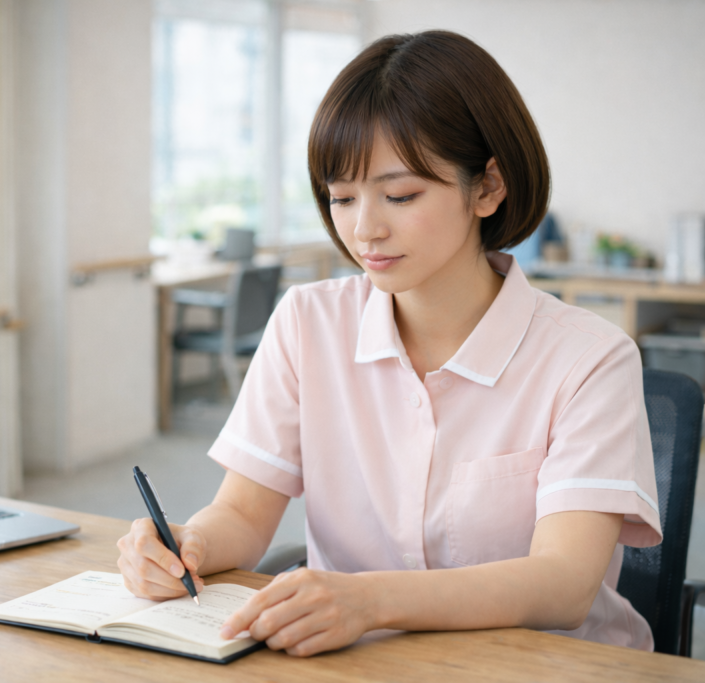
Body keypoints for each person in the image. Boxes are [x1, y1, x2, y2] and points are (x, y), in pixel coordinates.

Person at [117, 30, 661, 657]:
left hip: (543, 667)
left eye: (400, 195)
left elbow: (562, 584)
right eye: (342, 198)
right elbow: (242, 513)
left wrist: (368, 600)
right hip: (361, 662)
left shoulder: (590, 358)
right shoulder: (306, 322)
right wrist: (188, 545)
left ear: (487, 187)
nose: (364, 229)